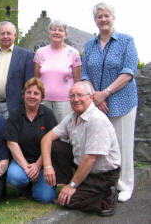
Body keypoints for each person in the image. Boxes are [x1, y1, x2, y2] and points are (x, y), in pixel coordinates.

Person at [81, 2, 138, 202]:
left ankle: (125, 185)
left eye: (107, 16)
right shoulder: (89, 45)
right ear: (95, 20)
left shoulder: (126, 41)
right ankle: (106, 184)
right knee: (100, 146)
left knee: (122, 144)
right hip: (97, 103)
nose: (103, 19)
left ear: (113, 18)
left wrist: (105, 93)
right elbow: (85, 74)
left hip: (123, 101)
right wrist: (95, 96)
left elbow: (128, 72)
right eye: (99, 16)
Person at [41, 82, 121, 216]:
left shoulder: (96, 120)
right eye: (72, 96)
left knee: (67, 201)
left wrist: (72, 186)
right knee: (55, 147)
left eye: (80, 95)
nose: (75, 99)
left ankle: (107, 195)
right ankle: (80, 186)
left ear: (90, 97)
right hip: (83, 168)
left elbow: (90, 159)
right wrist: (48, 166)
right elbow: (46, 139)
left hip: (103, 174)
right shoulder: (72, 117)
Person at [4, 78, 57, 203]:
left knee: (45, 198)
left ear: (42, 97)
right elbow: (11, 143)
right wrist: (27, 167)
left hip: (43, 162)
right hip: (22, 161)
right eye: (29, 92)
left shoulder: (48, 114)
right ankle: (25, 186)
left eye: (36, 93)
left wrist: (38, 166)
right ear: (23, 95)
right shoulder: (15, 114)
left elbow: (53, 143)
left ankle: (39, 182)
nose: (32, 96)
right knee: (15, 178)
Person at [0, 21, 34, 119]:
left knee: (11, 134)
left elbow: (29, 84)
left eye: (8, 33)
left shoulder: (26, 55)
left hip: (15, 106)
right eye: (2, 33)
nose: (5, 36)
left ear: (15, 35)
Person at [34, 20, 81, 122]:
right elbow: (36, 79)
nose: (56, 32)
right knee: (44, 131)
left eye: (60, 30)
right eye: (53, 29)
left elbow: (77, 81)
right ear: (49, 32)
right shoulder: (40, 52)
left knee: (63, 133)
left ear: (66, 34)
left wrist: (75, 99)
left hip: (65, 102)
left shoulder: (73, 53)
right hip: (43, 100)